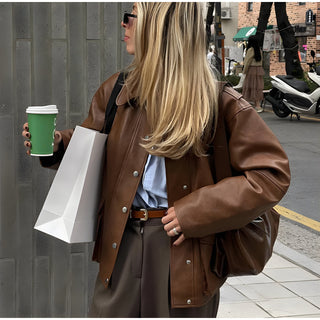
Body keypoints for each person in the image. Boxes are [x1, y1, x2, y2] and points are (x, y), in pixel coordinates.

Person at [22, 3, 290, 317]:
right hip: (121, 246)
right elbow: (90, 146)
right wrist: (56, 145)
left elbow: (270, 175)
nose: (123, 25)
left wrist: (196, 210)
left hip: (184, 251)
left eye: (131, 16)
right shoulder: (116, 91)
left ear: (159, 26)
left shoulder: (218, 102)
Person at [242, 35, 265, 113]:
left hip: (251, 69)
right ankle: (258, 106)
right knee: (257, 87)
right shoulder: (259, 50)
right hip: (259, 69)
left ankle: (246, 105)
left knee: (249, 87)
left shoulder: (250, 50)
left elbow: (247, 61)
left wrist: (244, 71)